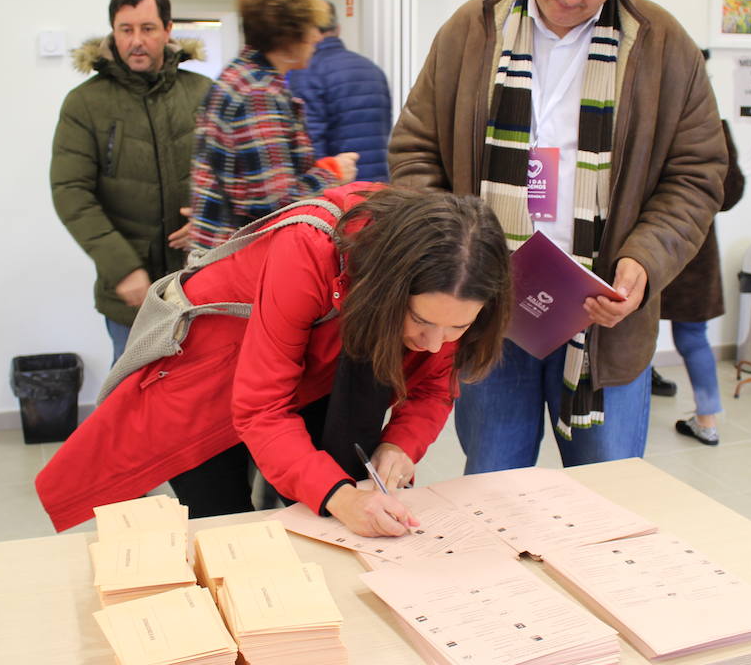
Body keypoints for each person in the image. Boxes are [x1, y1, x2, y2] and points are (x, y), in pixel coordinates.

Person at [389, 0, 726, 476]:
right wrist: (452, 255)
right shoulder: (472, 30)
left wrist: (645, 260)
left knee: (609, 497)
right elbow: (415, 151)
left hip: (602, 323)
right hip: (488, 316)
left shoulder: (664, 46)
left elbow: (698, 173)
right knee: (493, 491)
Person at [35, 184, 513, 536]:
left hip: (320, 371)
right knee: (228, 530)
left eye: (458, 329)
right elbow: (261, 409)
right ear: (390, 288)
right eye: (421, 323)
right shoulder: (310, 248)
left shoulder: (453, 276)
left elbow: (432, 386)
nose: (434, 344)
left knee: (329, 509)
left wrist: (401, 445)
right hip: (209, 385)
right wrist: (340, 498)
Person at [50, 0, 211, 363]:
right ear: (114, 32)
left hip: (200, 280)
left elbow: (232, 176)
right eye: (126, 30)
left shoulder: (204, 93)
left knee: (200, 397)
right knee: (131, 400)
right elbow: (71, 192)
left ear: (168, 30)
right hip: (131, 295)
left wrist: (207, 219)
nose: (136, 41)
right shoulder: (85, 104)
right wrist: (123, 269)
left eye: (147, 28)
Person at [189, 0, 360, 252]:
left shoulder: (242, 77)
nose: (317, 37)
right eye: (311, 28)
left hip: (225, 255)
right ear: (287, 35)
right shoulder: (258, 93)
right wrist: (332, 173)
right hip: (240, 261)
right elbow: (275, 205)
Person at [666, 119, 744, 446]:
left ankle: (629, 414)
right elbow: (730, 193)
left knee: (631, 334)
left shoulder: (649, 116)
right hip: (693, 248)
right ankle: (707, 419)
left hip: (638, 246)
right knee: (693, 336)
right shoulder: (713, 127)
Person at [286, 0, 394, 182]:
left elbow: (310, 142)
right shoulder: (371, 68)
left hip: (339, 189)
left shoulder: (305, 71)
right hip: (379, 186)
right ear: (338, 29)